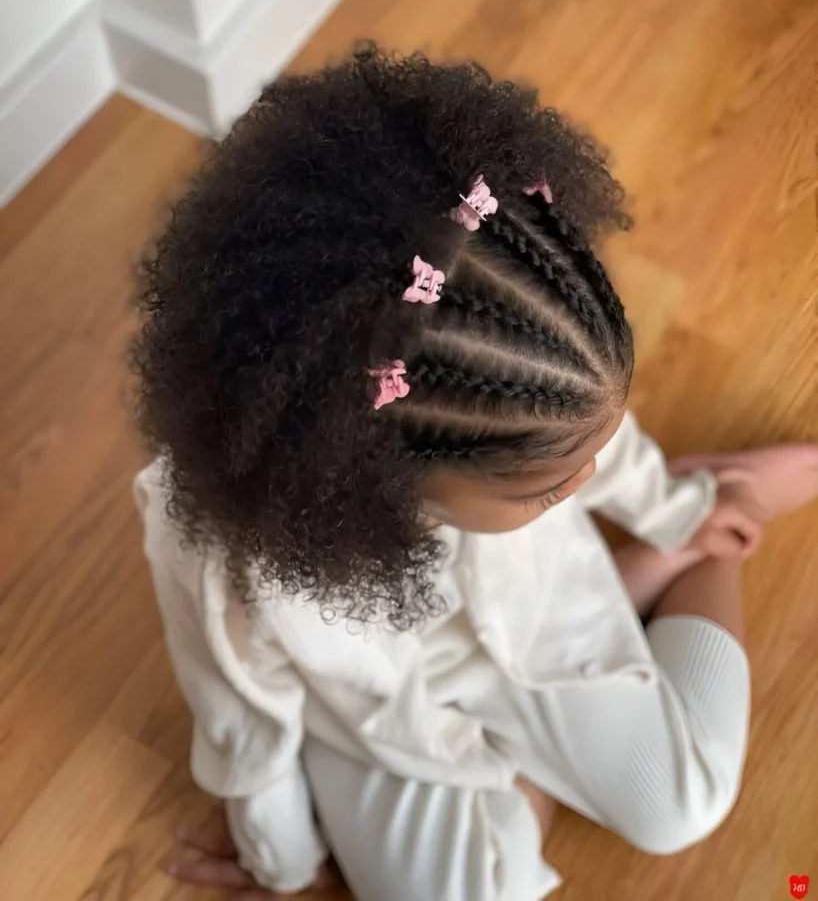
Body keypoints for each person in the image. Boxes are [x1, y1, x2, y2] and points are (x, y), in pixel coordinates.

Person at [132, 46, 818, 900]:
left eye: (587, 461)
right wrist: (288, 867)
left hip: (535, 622)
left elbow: (584, 439)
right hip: (380, 726)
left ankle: (724, 511)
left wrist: (679, 510)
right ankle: (628, 600)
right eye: (546, 488)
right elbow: (244, 713)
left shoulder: (514, 400)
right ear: (378, 468)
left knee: (683, 805)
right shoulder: (224, 550)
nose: (585, 483)